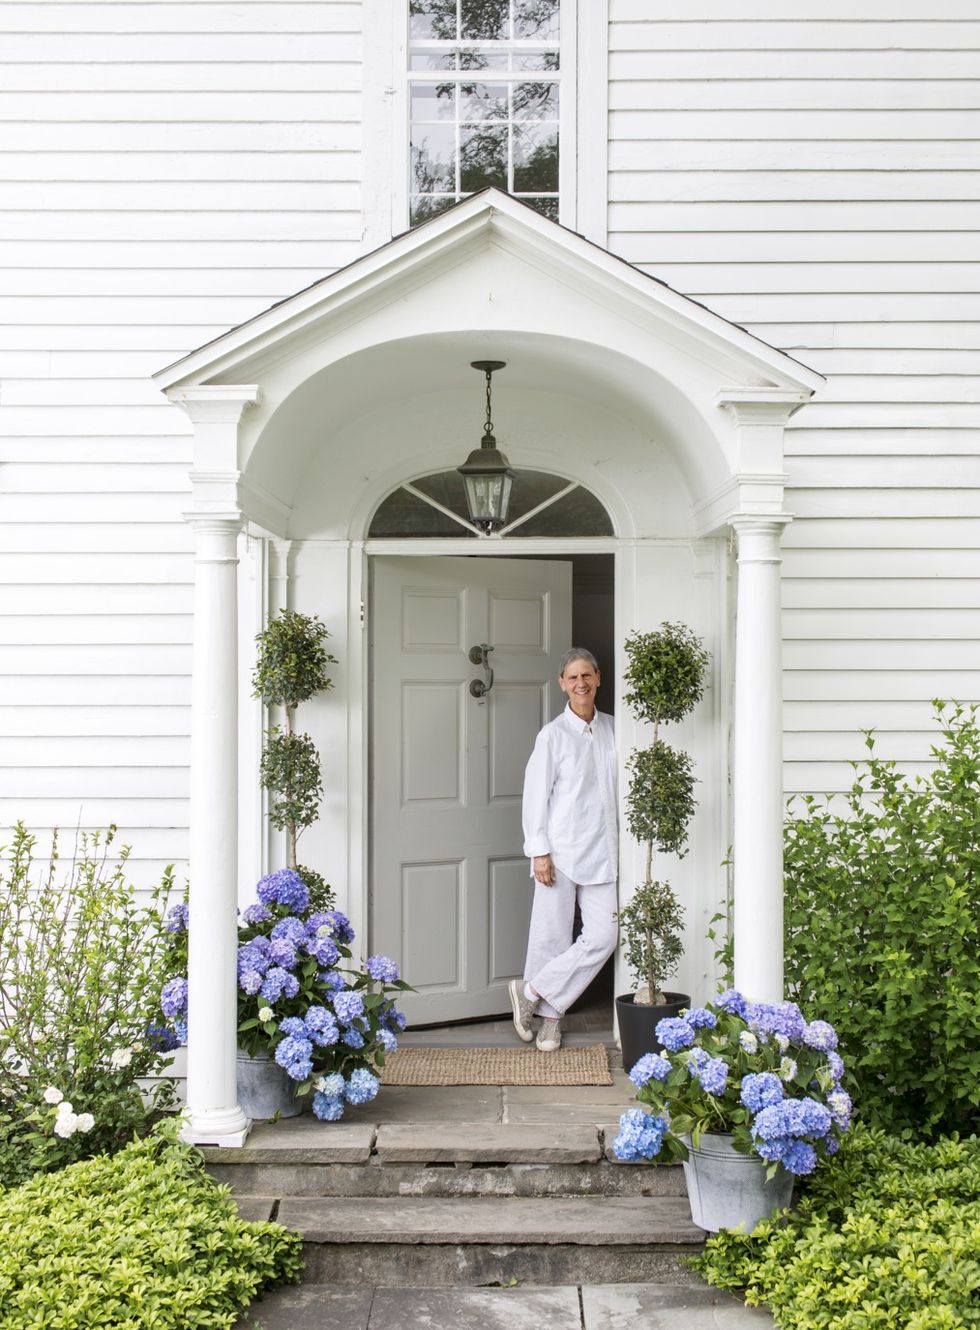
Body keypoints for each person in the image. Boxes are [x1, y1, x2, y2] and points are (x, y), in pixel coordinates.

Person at [510, 648, 618, 1052]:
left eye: (586, 675)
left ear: (598, 678)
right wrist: (538, 851)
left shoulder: (613, 729)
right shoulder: (552, 735)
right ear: (562, 683)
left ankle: (533, 991)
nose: (581, 684)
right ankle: (551, 1021)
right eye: (572, 677)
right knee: (550, 937)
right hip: (560, 853)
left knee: (604, 936)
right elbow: (534, 797)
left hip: (605, 852)